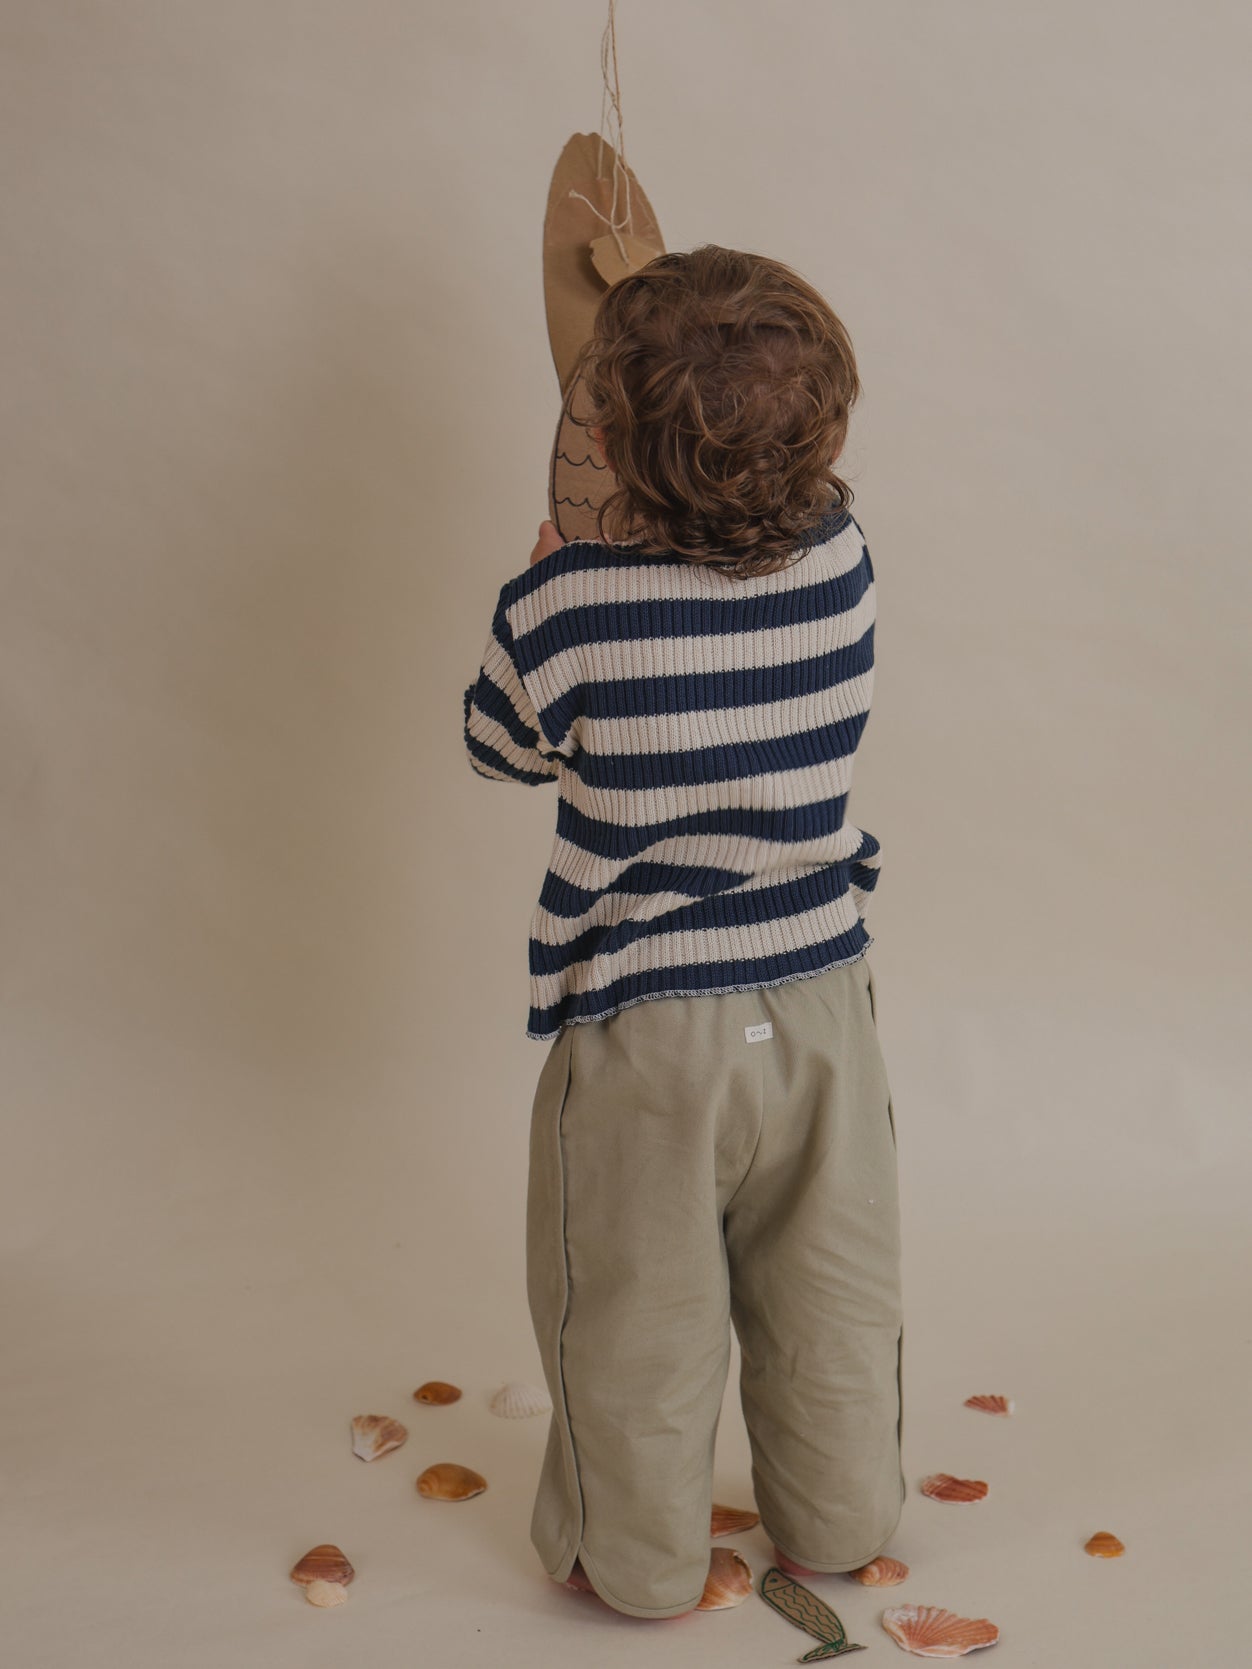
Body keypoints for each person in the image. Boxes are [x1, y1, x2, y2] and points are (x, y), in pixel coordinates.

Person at [463, 244, 904, 1620]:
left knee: (634, 1312)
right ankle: (840, 1518)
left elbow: (497, 746)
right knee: (831, 1279)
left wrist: (551, 564)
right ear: (822, 441)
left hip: (649, 1025)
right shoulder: (846, 563)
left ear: (604, 443)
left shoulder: (565, 605)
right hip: (824, 1003)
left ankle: (640, 1565)